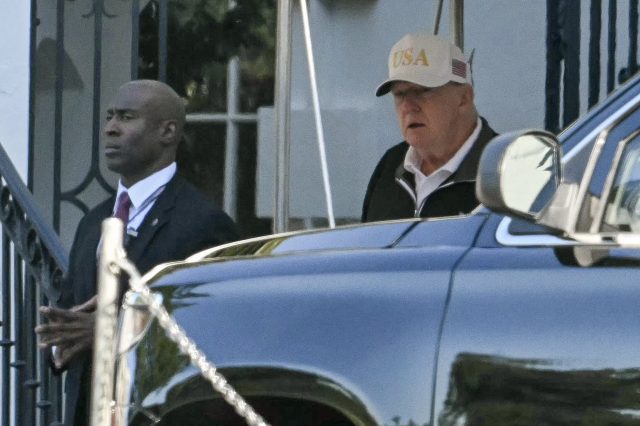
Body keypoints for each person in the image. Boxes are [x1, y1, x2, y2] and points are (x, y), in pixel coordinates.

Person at [35, 79, 239, 425]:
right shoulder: (93, 223)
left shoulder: (205, 225)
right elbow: (70, 317)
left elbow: (215, 335)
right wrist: (58, 342)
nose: (111, 128)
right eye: (110, 117)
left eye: (127, 117)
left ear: (168, 132)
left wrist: (115, 333)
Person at [362, 33, 498, 222]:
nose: (408, 106)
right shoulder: (391, 165)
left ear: (464, 98)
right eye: (399, 94)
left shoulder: (505, 170)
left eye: (422, 91)